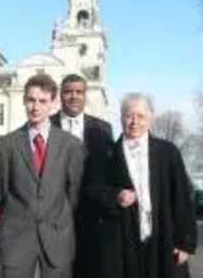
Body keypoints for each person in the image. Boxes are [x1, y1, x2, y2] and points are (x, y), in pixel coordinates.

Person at [0, 74, 84, 278]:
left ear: (53, 103)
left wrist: (59, 219)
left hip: (57, 238)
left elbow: (74, 192)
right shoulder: (6, 145)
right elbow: (0, 192)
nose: (35, 107)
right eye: (31, 100)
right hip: (16, 239)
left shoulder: (71, 145)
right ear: (24, 101)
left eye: (42, 101)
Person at [98, 92, 197, 278]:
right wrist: (115, 195)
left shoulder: (168, 152)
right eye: (129, 115)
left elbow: (182, 197)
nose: (134, 121)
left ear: (151, 119)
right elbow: (94, 190)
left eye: (141, 116)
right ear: (121, 118)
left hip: (164, 237)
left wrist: (185, 243)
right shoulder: (107, 154)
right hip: (124, 241)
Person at [50, 74, 114, 278]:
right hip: (53, 218)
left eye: (79, 92)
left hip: (92, 219)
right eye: (68, 91)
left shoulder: (103, 129)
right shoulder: (45, 126)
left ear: (85, 96)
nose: (74, 96)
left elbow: (110, 172)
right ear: (61, 95)